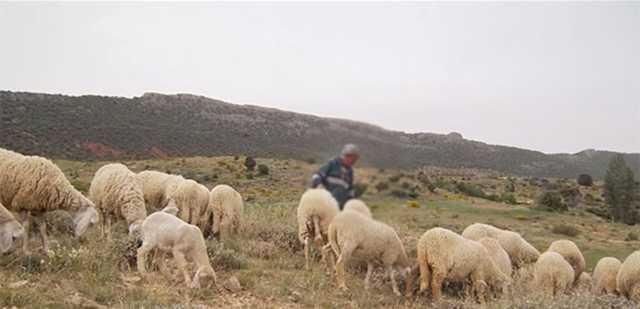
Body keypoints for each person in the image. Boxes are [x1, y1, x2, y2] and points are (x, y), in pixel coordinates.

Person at [310, 144, 359, 209]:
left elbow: (350, 190)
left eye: (355, 160)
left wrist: (351, 202)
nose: (354, 162)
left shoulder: (350, 171)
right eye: (353, 159)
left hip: (339, 207)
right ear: (347, 156)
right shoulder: (332, 163)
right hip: (324, 203)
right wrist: (319, 185)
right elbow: (317, 175)